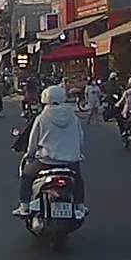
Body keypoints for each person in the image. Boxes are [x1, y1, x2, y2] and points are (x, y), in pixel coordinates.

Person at [13, 86, 86, 216]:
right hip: (70, 162)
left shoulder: (42, 118)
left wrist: (30, 155)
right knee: (78, 180)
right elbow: (80, 137)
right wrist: (77, 153)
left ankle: (24, 206)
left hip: (46, 161)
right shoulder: (73, 117)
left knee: (26, 176)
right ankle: (80, 206)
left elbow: (33, 140)